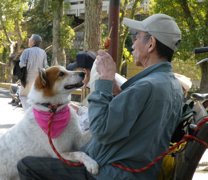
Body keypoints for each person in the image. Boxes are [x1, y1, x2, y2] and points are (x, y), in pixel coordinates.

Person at [17, 13, 184, 180]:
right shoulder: (172, 85)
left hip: (111, 173)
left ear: (151, 44)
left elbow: (100, 130)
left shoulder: (146, 86)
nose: (132, 44)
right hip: (137, 170)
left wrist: (104, 82)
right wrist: (118, 93)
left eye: (136, 37)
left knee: (25, 165)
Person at [19, 34, 48, 110]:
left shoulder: (26, 51)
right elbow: (46, 66)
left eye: (30, 39)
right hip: (39, 79)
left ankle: (28, 112)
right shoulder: (43, 52)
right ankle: (34, 113)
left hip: (28, 78)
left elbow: (22, 64)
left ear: (33, 42)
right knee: (35, 98)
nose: (29, 40)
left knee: (23, 95)